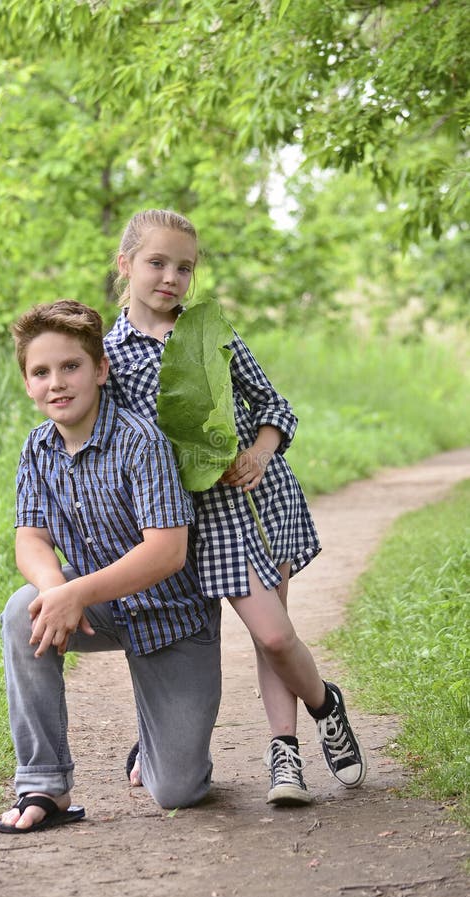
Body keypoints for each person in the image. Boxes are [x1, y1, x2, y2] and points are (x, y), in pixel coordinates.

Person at [104, 209, 367, 806]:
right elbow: (124, 450)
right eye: (157, 262)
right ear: (125, 265)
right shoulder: (109, 359)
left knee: (273, 637)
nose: (171, 277)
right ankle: (322, 701)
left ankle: (287, 754)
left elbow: (276, 405)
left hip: (254, 504)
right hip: (187, 523)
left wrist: (260, 451)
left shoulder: (208, 331)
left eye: (184, 267)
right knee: (180, 637)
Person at [0, 299, 221, 834]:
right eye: (41, 372)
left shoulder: (141, 441)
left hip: (175, 618)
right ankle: (44, 784)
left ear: (100, 369)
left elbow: (167, 551)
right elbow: (30, 538)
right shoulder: (38, 448)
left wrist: (78, 593)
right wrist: (57, 590)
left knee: (177, 790)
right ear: (27, 384)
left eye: (70, 367)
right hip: (103, 607)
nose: (57, 383)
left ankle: (158, 734)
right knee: (23, 611)